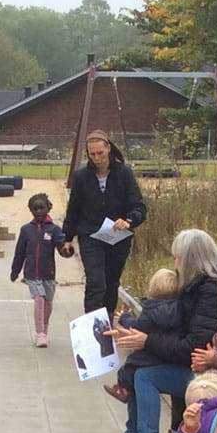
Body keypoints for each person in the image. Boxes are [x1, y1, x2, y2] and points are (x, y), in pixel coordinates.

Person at [97, 230, 217, 433]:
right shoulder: (194, 286)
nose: (175, 262)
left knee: (146, 376)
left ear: (190, 259)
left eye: (178, 257)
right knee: (138, 367)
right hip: (194, 365)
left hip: (208, 375)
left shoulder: (209, 292)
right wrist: (137, 335)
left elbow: (193, 347)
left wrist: (147, 341)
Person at [60, 130, 147, 317]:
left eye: (100, 153)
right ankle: (91, 326)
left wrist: (128, 220)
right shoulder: (81, 177)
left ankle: (106, 321)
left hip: (118, 237)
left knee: (111, 282)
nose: (97, 158)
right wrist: (67, 238)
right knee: (95, 282)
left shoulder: (124, 174)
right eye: (92, 154)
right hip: (90, 235)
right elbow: (73, 209)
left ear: (108, 149)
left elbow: (139, 206)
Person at [106, 266, 184, 404]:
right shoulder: (179, 310)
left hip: (149, 355)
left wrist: (125, 318)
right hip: (165, 354)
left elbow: (137, 327)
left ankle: (123, 389)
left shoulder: (151, 310)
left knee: (129, 366)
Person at [10, 191, 65, 347]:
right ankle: (40, 334)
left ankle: (45, 330)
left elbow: (62, 247)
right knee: (39, 299)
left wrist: (67, 250)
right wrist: (15, 271)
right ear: (30, 210)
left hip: (48, 273)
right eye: (35, 209)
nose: (39, 211)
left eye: (42, 208)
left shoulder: (54, 230)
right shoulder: (26, 230)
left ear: (48, 208)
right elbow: (19, 252)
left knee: (48, 302)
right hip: (32, 274)